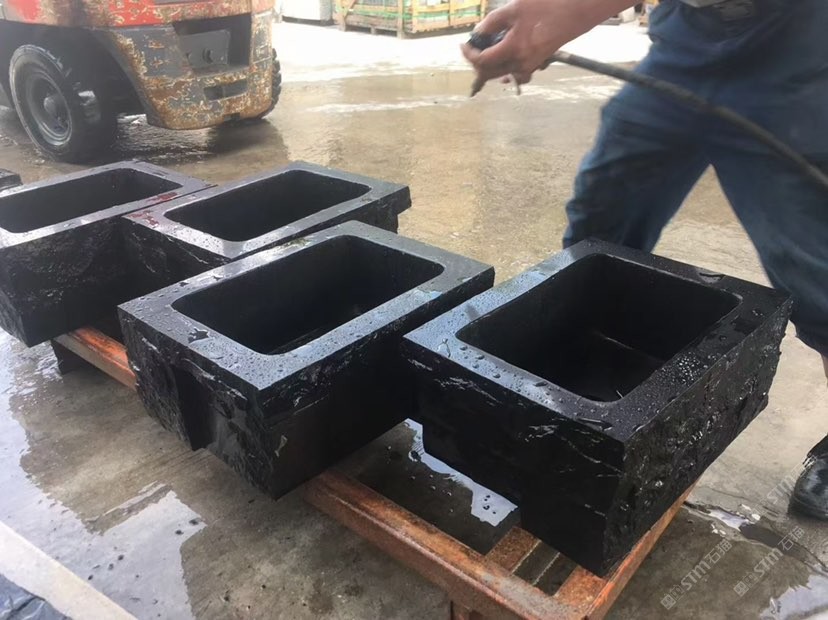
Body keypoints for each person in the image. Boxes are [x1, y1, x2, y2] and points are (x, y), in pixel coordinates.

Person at [462, 0, 828, 519]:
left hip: (796, 48)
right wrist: (542, 17)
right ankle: (574, 365)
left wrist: (553, 20)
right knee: (601, 224)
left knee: (815, 268)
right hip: (689, 40)